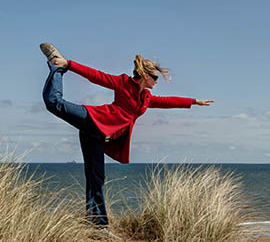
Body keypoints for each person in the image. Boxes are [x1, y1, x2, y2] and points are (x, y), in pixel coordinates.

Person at [39, 42, 213, 226]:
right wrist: (69, 64)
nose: (157, 81)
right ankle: (56, 66)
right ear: (145, 76)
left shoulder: (145, 97)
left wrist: (194, 101)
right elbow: (97, 77)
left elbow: (166, 101)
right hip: (93, 119)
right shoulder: (123, 83)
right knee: (54, 103)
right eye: (155, 77)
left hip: (98, 135)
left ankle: (97, 224)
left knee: (96, 177)